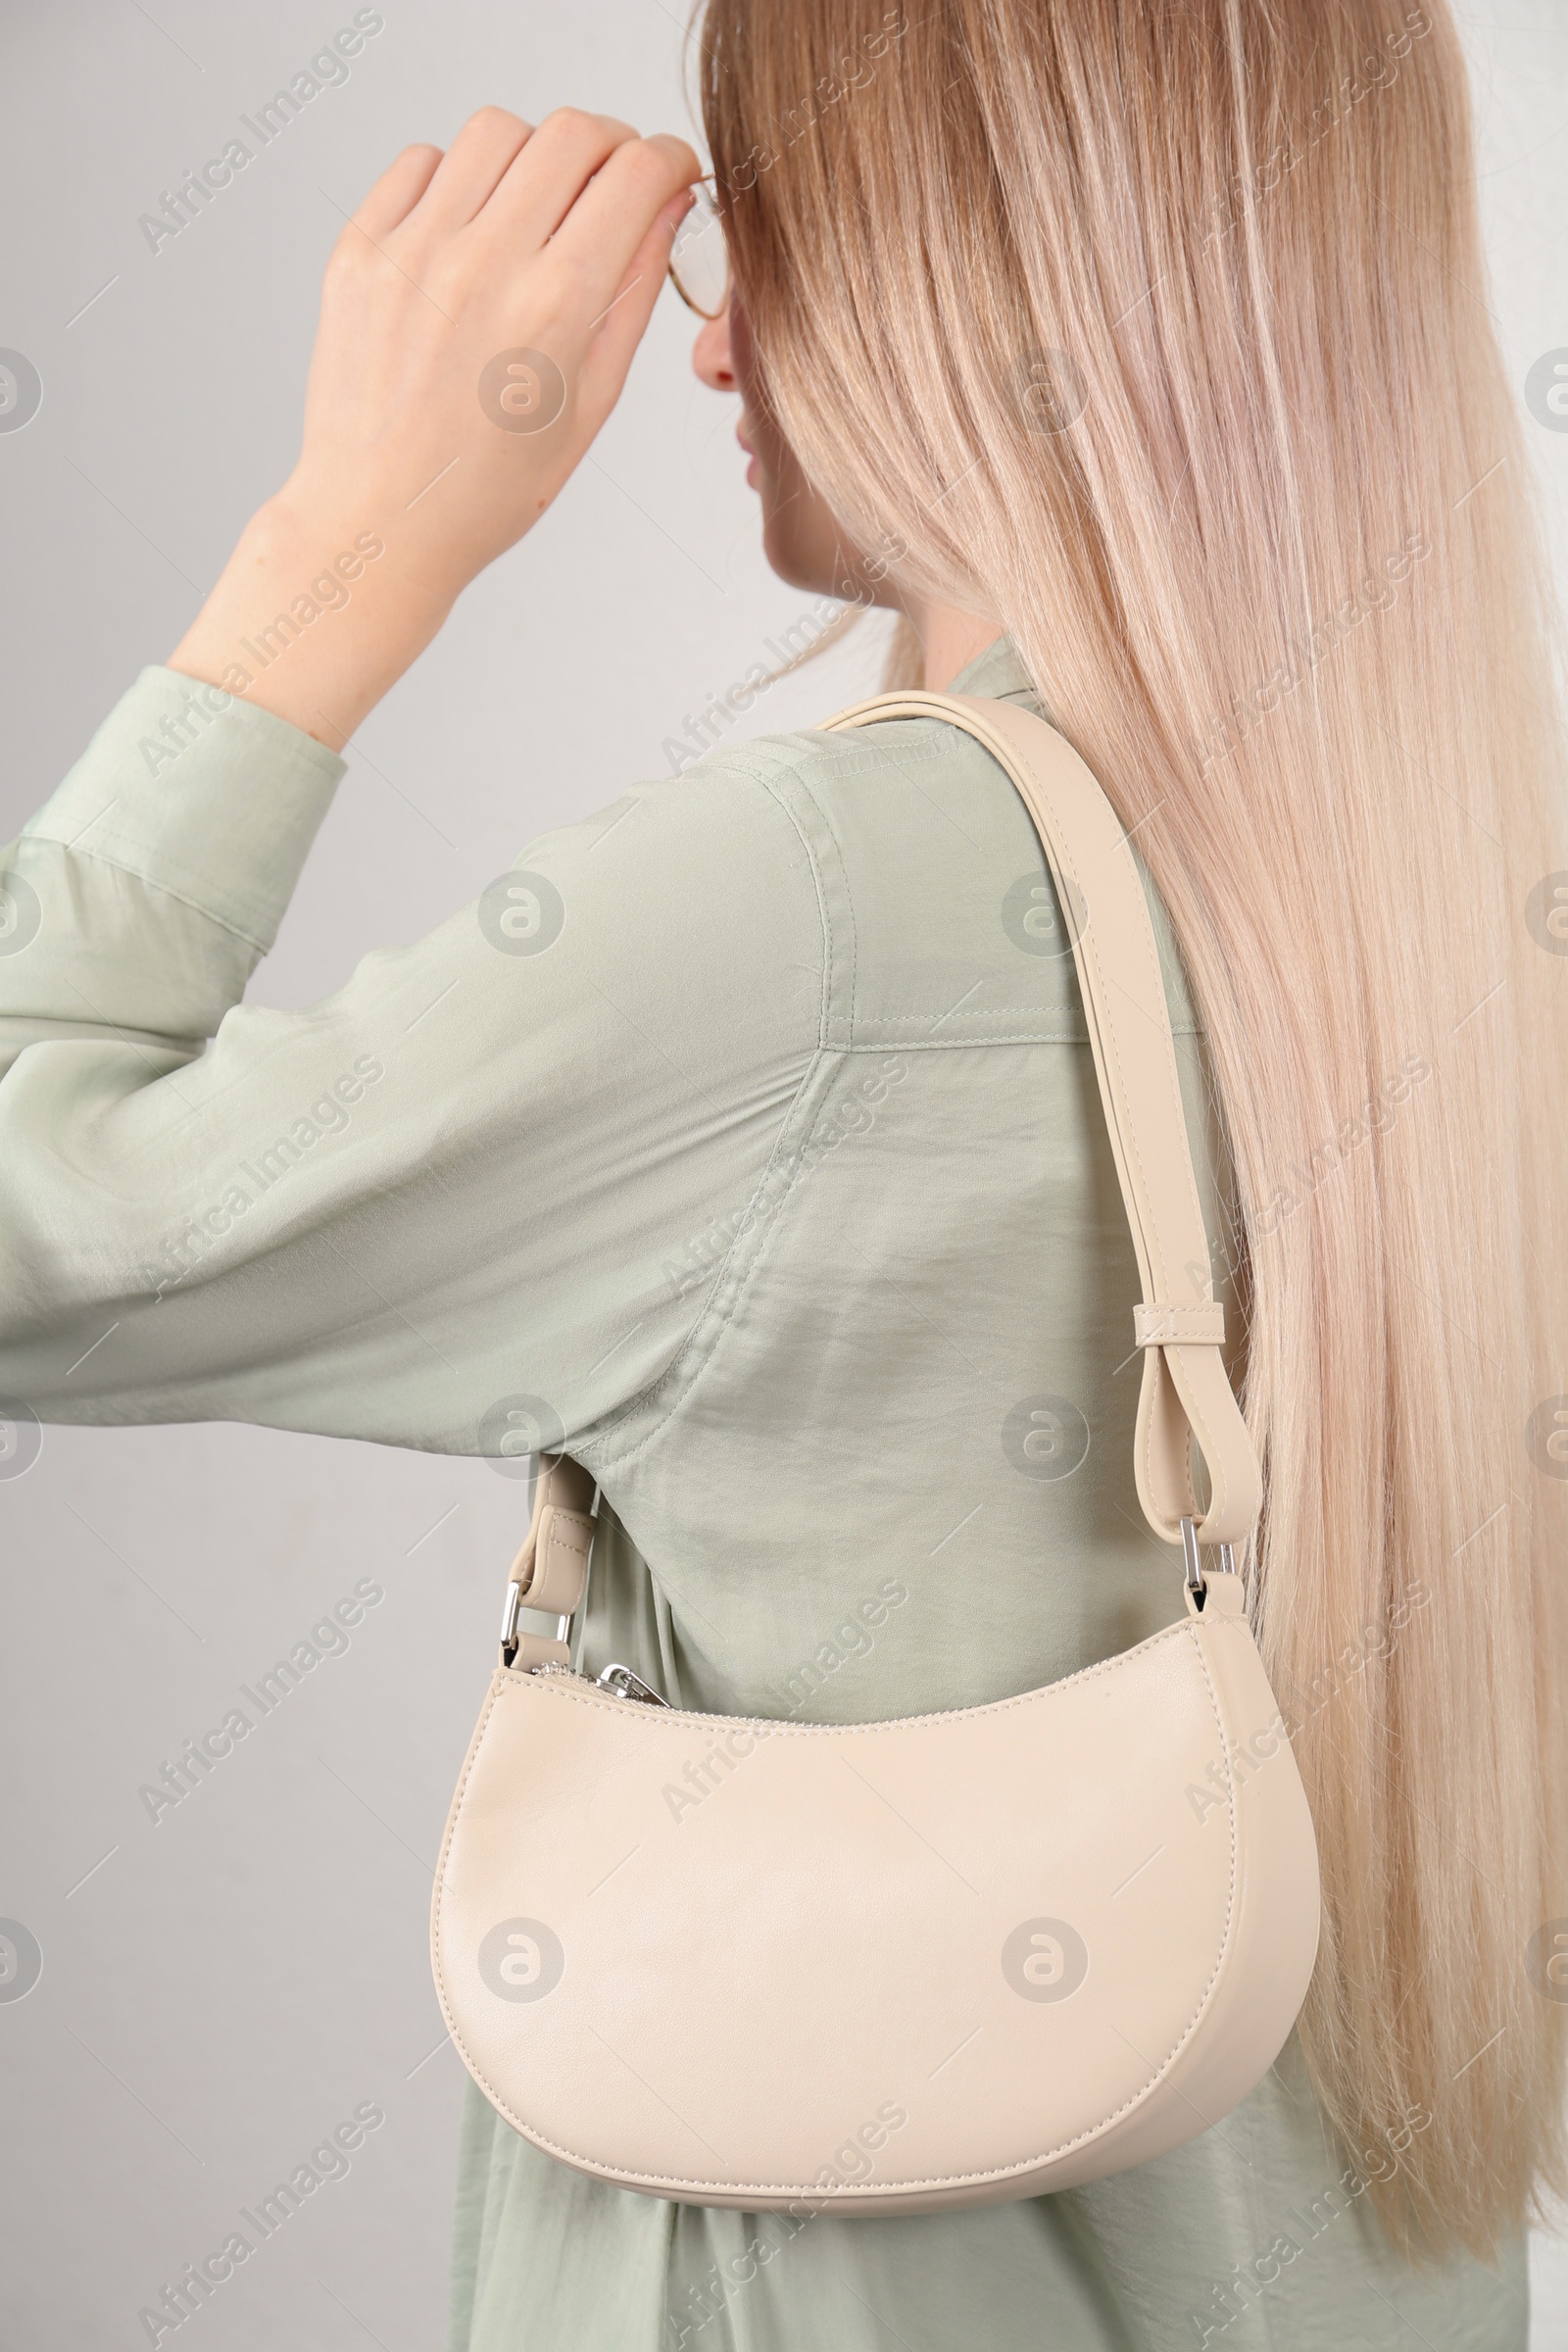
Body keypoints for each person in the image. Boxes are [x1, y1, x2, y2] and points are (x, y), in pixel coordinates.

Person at [2, 2, 1564, 2346]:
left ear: (977, 286)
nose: (719, 342)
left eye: (790, 238)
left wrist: (344, 540)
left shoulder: (828, 902)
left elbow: (41, 1254)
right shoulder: (1455, 893)